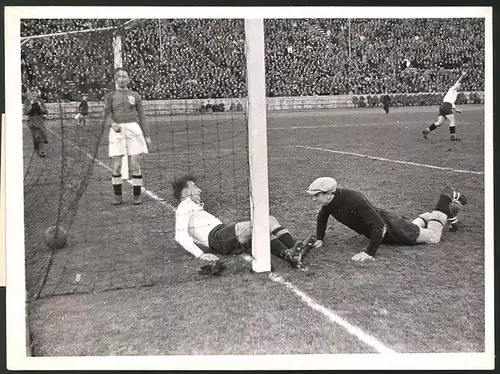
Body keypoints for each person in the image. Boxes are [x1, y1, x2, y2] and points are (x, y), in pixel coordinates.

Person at [306, 177, 468, 262]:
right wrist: (320, 238)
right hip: (387, 225)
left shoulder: (354, 199)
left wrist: (369, 253)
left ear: (328, 194)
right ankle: (432, 216)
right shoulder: (330, 202)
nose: (314, 199)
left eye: (316, 196)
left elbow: (379, 226)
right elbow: (322, 217)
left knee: (433, 237)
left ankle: (445, 198)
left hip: (391, 228)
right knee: (412, 227)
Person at [173, 175, 308, 271]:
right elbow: (180, 235)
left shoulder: (191, 206)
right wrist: (200, 254)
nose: (199, 190)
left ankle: (294, 251)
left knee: (269, 221)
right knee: (260, 225)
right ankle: (292, 254)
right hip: (218, 238)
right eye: (195, 187)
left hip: (222, 234)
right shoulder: (184, 206)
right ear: (186, 191)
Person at [104, 67, 151, 205]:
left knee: (136, 164)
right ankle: (117, 196)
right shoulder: (110, 95)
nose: (122, 79)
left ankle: (137, 195)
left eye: (124, 76)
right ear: (115, 80)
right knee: (117, 164)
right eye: (119, 77)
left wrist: (146, 134)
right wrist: (112, 124)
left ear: (129, 79)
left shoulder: (135, 95)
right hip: (117, 130)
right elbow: (106, 115)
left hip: (133, 129)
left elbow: (142, 115)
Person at [422, 71, 467, 141]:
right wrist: (462, 75)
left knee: (439, 122)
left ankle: (427, 130)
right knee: (452, 119)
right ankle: (453, 136)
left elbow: (452, 103)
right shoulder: (452, 89)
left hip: (443, 106)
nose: (460, 86)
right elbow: (459, 81)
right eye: (460, 86)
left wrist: (456, 109)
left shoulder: (454, 94)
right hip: (446, 106)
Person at [23, 87, 49, 157]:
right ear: (30, 95)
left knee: (41, 136)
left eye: (35, 93)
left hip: (40, 119)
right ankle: (37, 150)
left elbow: (46, 111)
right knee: (35, 138)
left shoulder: (40, 100)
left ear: (37, 94)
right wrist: (31, 104)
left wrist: (40, 105)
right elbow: (25, 112)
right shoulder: (27, 101)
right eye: (32, 94)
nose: (34, 95)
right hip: (31, 120)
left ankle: (42, 151)